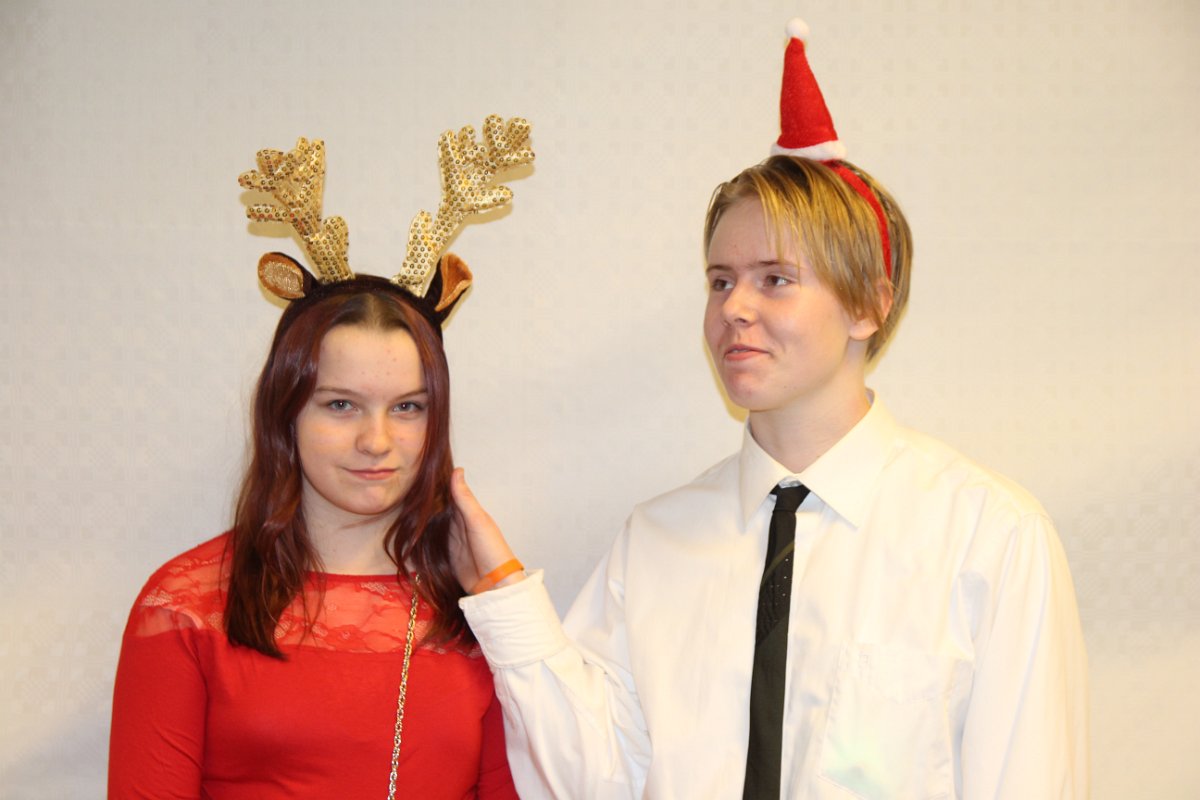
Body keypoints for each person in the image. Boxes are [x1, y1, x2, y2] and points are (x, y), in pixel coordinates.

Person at [450, 21, 1088, 799]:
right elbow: (590, 782)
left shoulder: (988, 538)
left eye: (775, 279)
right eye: (720, 280)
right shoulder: (656, 543)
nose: (734, 308)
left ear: (868, 306)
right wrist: (503, 590)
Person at [109, 118, 534, 799]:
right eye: (341, 405)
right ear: (286, 413)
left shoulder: (478, 611)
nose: (377, 441)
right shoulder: (185, 605)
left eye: (408, 407)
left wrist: (503, 591)